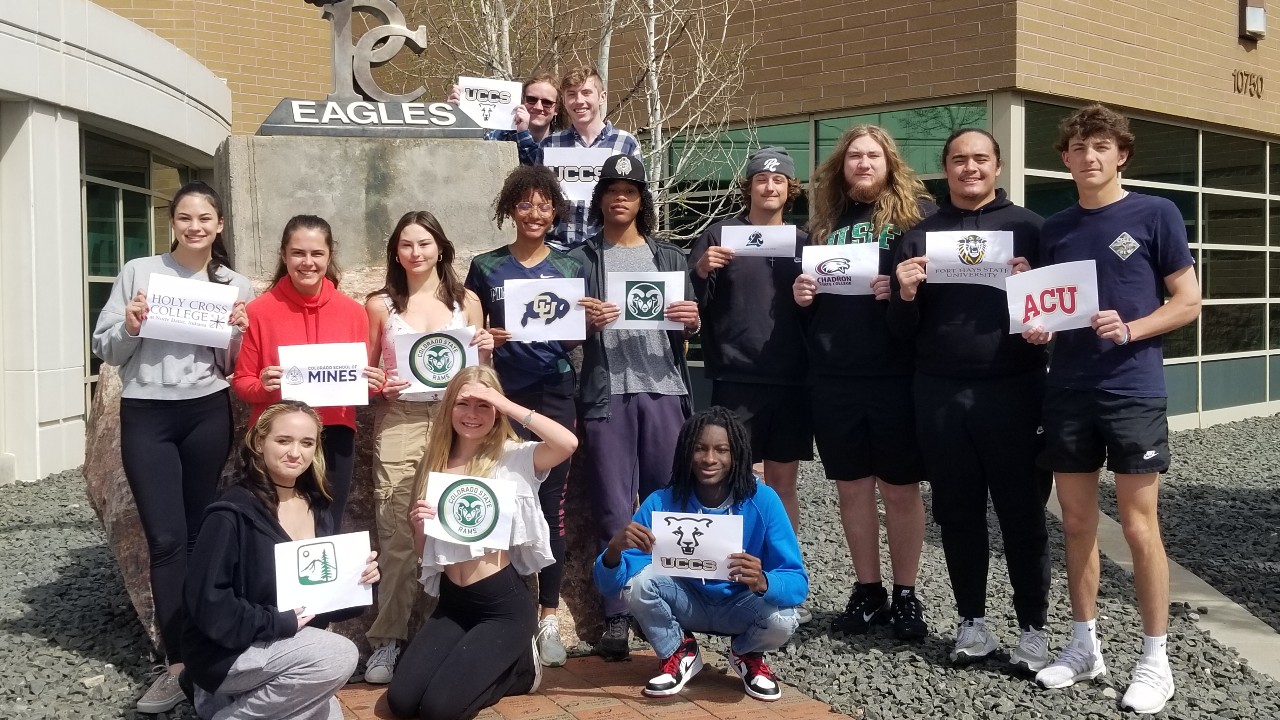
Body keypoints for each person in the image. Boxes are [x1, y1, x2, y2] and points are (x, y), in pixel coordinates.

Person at [1024, 105, 1200, 715]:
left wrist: (1130, 329)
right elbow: (1046, 312)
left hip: (1132, 388)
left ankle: (1156, 659)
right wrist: (1037, 329)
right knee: (1075, 524)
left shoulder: (1156, 213)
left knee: (1137, 525)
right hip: (1067, 388)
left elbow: (1188, 301)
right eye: (1078, 147)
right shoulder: (1056, 228)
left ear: (1120, 154)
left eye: (1101, 145)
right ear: (1066, 158)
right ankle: (1084, 646)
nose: (1089, 156)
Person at [887, 129, 1053, 670]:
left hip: (1015, 390)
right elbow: (898, 331)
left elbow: (1056, 317)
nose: (969, 168)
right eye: (958, 160)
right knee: (957, 515)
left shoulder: (1031, 229)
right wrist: (906, 292)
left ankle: (1033, 629)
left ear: (997, 167)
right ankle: (972, 624)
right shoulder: (918, 235)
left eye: (980, 159)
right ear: (946, 169)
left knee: (1022, 513)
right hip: (939, 392)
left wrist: (1038, 305)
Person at [91, 180, 254, 714]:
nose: (196, 227)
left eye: (206, 218)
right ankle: (178, 661)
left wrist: (236, 333)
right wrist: (132, 323)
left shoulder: (235, 284)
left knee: (198, 533)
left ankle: (203, 646)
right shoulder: (141, 271)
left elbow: (232, 366)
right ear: (174, 222)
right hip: (147, 413)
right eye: (186, 217)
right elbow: (106, 346)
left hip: (206, 410)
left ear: (220, 225)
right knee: (164, 539)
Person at [792, 125, 935, 640]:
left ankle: (906, 594)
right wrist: (802, 296)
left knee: (900, 489)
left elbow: (938, 291)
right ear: (842, 165)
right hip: (834, 375)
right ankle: (868, 589)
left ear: (890, 163)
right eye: (855, 155)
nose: (864, 163)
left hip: (895, 373)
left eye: (874, 155)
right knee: (851, 487)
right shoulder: (823, 225)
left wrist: (900, 290)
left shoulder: (917, 221)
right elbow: (805, 304)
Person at [386, 366, 579, 720]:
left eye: (484, 406)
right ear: (448, 407)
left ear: (497, 411)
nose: (472, 414)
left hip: (501, 607)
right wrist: (419, 527)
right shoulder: (436, 460)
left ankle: (521, 669)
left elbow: (567, 443)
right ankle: (491, 663)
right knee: (401, 701)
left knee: (437, 710)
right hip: (453, 603)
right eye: (463, 404)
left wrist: (504, 402)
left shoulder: (515, 457)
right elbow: (423, 552)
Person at [571, 154, 700, 659]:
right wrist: (587, 324)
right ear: (600, 198)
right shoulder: (581, 258)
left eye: (631, 189)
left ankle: (660, 606)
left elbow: (688, 331)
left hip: (664, 390)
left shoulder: (669, 258)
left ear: (642, 199)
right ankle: (616, 614)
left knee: (664, 503)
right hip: (608, 392)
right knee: (611, 503)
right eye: (612, 189)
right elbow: (563, 328)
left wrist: (692, 321)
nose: (620, 197)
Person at [182, 400, 381, 720]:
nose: (295, 452)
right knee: (339, 654)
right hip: (227, 651)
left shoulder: (317, 507)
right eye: (283, 440)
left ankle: (226, 701)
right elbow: (208, 604)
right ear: (259, 442)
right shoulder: (231, 513)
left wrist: (358, 580)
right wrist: (279, 622)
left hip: (284, 648)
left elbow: (321, 598)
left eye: (306, 443)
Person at [595, 407, 808, 701]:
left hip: (740, 606)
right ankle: (678, 651)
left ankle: (746, 654)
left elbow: (797, 582)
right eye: (700, 449)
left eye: (722, 450)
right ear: (686, 452)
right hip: (687, 602)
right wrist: (614, 551)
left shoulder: (764, 501)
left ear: (738, 455)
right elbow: (611, 586)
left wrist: (763, 582)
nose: (709, 459)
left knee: (785, 618)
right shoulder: (662, 501)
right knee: (639, 583)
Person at [362, 211, 493, 684]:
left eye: (423, 243)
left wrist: (485, 347)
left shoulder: (468, 302)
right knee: (397, 531)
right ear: (395, 252)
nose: (415, 253)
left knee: (457, 526)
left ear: (441, 247)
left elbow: (481, 374)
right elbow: (364, 373)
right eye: (405, 245)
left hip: (457, 422)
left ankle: (453, 631)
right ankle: (388, 641)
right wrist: (378, 384)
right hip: (400, 421)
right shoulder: (380, 305)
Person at [465, 166, 584, 666]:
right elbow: (471, 332)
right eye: (524, 204)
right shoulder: (485, 266)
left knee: (552, 502)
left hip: (555, 391)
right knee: (499, 496)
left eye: (544, 205)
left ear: (555, 210)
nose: (535, 213)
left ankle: (548, 615)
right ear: (509, 209)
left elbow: (578, 335)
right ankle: (504, 610)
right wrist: (486, 341)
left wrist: (588, 321)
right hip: (501, 394)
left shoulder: (571, 263)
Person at [688, 147, 812, 622]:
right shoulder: (720, 236)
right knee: (730, 481)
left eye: (779, 182)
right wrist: (701, 270)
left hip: (791, 377)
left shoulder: (805, 241)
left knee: (783, 484)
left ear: (789, 189)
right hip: (735, 376)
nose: (770, 187)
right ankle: (720, 576)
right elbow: (686, 300)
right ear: (750, 186)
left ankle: (781, 581)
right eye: (761, 180)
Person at [232, 215, 385, 531]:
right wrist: (263, 386)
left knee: (328, 523)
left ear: (329, 256)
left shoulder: (353, 313)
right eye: (298, 253)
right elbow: (243, 382)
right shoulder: (259, 312)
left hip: (334, 434)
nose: (307, 262)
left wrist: (373, 384)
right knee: (273, 526)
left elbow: (359, 382)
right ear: (283, 255)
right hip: (277, 436)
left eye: (317, 254)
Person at [538, 66, 642, 252]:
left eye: (586, 93)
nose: (579, 101)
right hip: (558, 250)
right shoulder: (549, 145)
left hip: (608, 250)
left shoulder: (626, 143)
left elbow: (640, 200)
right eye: (571, 94)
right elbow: (538, 200)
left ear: (602, 97)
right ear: (564, 100)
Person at [447, 74, 560, 165]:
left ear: (557, 109)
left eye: (547, 103)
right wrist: (455, 116)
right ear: (522, 101)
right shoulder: (498, 137)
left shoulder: (564, 143)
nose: (538, 107)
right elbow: (465, 156)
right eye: (531, 99)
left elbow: (541, 172)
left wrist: (523, 134)